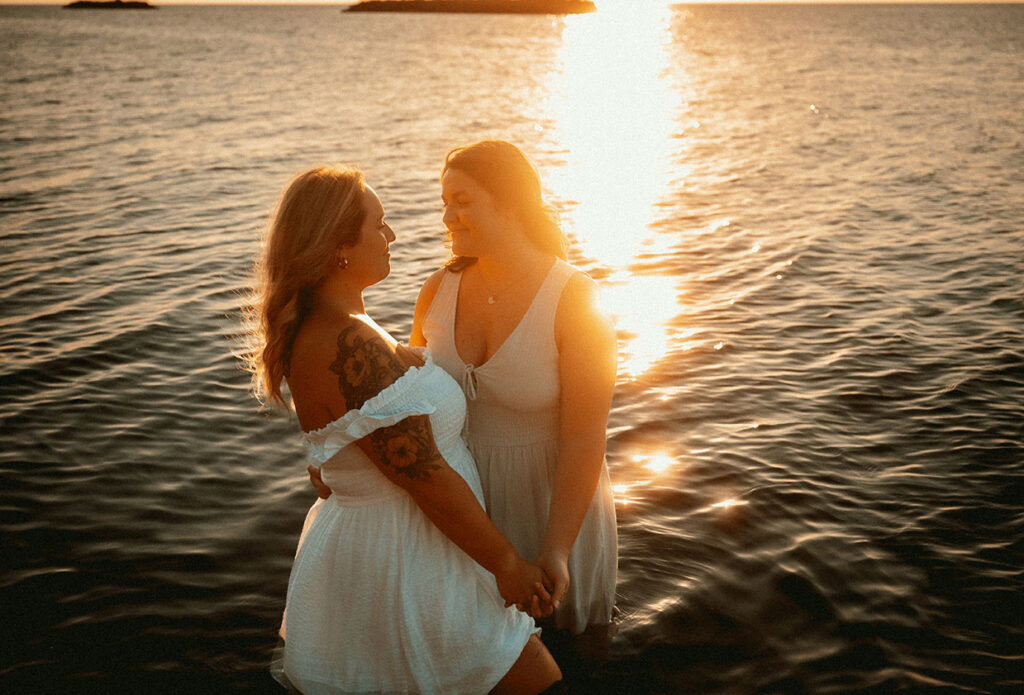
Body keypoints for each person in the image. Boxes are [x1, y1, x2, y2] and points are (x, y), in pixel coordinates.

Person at [247, 165, 561, 694]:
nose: (392, 235)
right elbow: (425, 476)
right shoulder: (348, 342)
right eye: (379, 224)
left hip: (402, 548)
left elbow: (354, 440)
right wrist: (507, 565)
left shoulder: (342, 328)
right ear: (338, 247)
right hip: (410, 565)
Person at [410, 141, 618, 654]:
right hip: (462, 508)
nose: (446, 216)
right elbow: (405, 403)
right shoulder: (436, 290)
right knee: (467, 655)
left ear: (510, 202)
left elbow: (585, 436)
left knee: (570, 658)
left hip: (550, 506)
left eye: (461, 200)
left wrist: (558, 552)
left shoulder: (575, 298)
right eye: (444, 200)